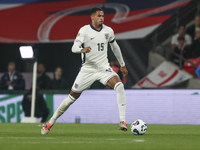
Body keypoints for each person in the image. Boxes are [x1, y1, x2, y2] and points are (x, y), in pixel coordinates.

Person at [41, 7, 128, 135]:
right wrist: (81, 50)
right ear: (92, 17)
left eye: (103, 16)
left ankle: (122, 121)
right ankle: (50, 122)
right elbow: (74, 47)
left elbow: (115, 47)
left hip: (104, 69)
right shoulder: (84, 30)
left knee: (119, 86)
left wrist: (122, 64)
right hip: (87, 70)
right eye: (99, 16)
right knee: (71, 98)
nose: (102, 18)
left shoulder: (108, 31)